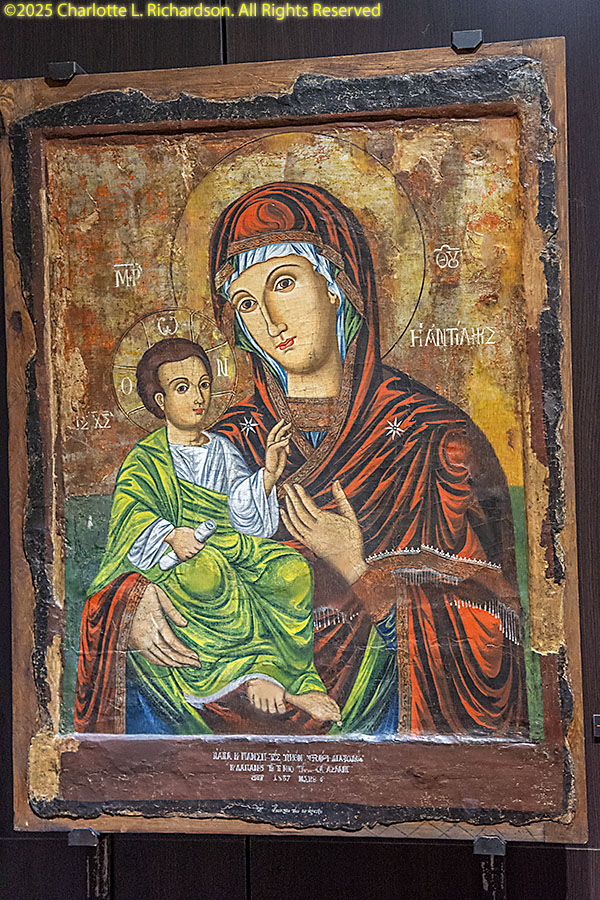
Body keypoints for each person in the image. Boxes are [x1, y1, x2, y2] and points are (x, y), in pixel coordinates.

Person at [76, 180, 528, 738]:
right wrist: (129, 607)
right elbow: (134, 549)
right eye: (246, 303)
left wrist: (359, 569)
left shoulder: (434, 442)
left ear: (337, 284)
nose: (270, 320)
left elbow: (493, 632)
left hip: (385, 729)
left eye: (284, 283)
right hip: (217, 697)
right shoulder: (223, 442)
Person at [75, 336, 341, 733]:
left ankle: (293, 677)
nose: (198, 397)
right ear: (160, 400)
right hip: (177, 558)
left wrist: (267, 476)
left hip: (231, 543)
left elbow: (244, 514)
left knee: (290, 569)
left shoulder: (222, 448)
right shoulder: (145, 459)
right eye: (182, 388)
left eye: (203, 384)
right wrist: (170, 534)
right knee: (208, 573)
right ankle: (249, 674)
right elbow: (133, 516)